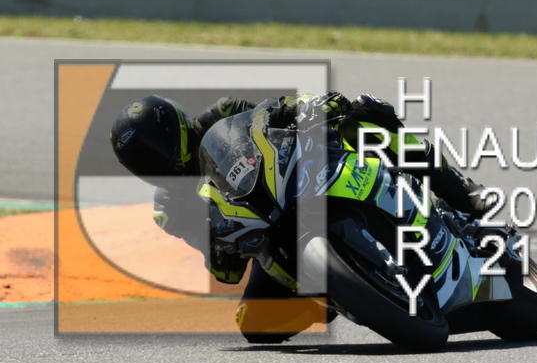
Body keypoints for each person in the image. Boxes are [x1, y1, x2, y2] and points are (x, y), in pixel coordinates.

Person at [110, 91, 496, 343]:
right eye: (144, 160)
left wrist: (313, 106)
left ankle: (457, 188)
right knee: (253, 324)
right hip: (267, 236)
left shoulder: (221, 113)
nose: (158, 161)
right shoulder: (169, 209)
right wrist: (224, 247)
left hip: (300, 177)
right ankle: (332, 296)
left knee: (364, 116)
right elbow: (223, 271)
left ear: (176, 126)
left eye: (157, 146)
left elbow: (274, 113)